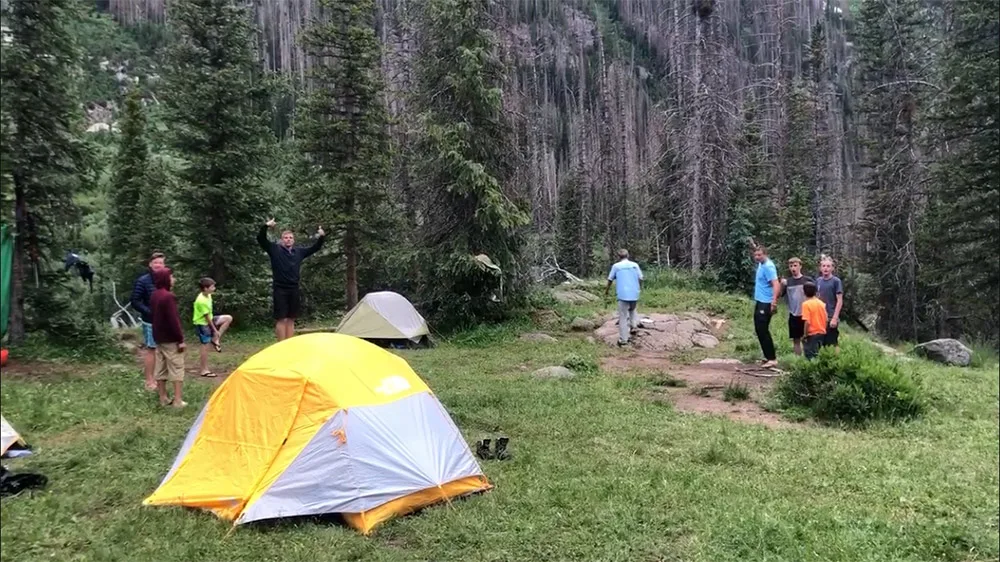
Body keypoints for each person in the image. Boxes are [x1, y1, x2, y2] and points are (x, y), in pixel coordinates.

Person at [257, 218, 325, 341]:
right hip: (280, 288)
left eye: (290, 238)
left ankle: (289, 344)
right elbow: (261, 239)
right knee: (281, 318)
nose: (288, 239)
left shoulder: (298, 252)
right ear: (282, 240)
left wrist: (321, 237)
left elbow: (314, 248)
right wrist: (266, 226)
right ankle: (281, 345)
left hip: (294, 288)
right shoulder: (274, 249)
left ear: (293, 240)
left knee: (291, 318)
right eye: (286, 238)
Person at [150, 267, 186, 408]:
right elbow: (173, 320)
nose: (173, 279)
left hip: (158, 338)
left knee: (161, 367)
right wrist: (180, 339)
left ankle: (163, 398)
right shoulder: (168, 297)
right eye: (171, 277)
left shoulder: (154, 295)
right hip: (171, 339)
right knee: (176, 367)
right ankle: (177, 400)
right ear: (166, 279)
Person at [130, 252, 166, 391]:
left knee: (163, 350)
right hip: (150, 321)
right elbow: (135, 301)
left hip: (164, 321)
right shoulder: (143, 281)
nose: (158, 265)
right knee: (151, 349)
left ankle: (160, 378)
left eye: (161, 263)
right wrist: (149, 311)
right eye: (155, 262)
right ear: (150, 264)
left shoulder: (165, 279)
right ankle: (149, 380)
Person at [192, 277, 233, 378]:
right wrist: (215, 330)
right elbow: (206, 319)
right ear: (205, 289)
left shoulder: (208, 295)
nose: (214, 288)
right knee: (205, 346)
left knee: (228, 318)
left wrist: (216, 333)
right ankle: (204, 370)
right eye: (212, 287)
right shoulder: (201, 301)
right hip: (202, 323)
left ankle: (215, 339)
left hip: (209, 319)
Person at [604, 249, 644, 346]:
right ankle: (634, 326)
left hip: (622, 294)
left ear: (618, 257)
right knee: (632, 309)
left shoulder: (616, 266)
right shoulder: (635, 265)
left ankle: (623, 340)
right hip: (634, 292)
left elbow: (610, 279)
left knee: (622, 316)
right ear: (628, 255)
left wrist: (607, 290)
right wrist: (639, 287)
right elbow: (641, 278)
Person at [752, 246, 781, 368]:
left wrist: (773, 302)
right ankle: (767, 356)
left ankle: (772, 358)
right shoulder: (761, 264)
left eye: (760, 255)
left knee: (763, 329)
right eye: (756, 255)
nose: (757, 257)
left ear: (765, 254)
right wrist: (755, 246)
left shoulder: (768, 266)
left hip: (766, 302)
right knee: (759, 329)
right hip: (760, 300)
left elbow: (776, 284)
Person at [780, 257, 814, 356]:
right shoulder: (788, 282)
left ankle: (808, 360)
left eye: (795, 265)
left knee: (807, 338)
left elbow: (815, 296)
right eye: (791, 266)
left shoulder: (807, 280)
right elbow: (781, 294)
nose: (793, 268)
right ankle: (798, 360)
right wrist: (782, 285)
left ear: (800, 266)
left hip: (806, 314)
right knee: (796, 340)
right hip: (793, 314)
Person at [816, 255, 844, 352]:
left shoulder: (836, 281)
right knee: (820, 342)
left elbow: (839, 300)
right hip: (820, 317)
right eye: (823, 266)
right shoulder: (818, 281)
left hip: (831, 316)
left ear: (832, 268)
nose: (826, 268)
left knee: (832, 343)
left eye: (828, 266)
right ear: (820, 268)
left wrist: (835, 318)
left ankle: (836, 363)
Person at [800, 282, 828, 360]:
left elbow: (807, 322)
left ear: (804, 292)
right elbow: (826, 319)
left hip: (812, 334)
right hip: (822, 333)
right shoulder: (821, 303)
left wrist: (805, 335)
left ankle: (810, 371)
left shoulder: (806, 304)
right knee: (818, 354)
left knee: (810, 356)